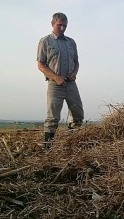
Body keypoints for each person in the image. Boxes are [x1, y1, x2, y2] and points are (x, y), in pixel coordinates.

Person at [37, 12, 84, 144]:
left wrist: (75, 72)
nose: (62, 28)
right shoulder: (45, 41)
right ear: (52, 24)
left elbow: (77, 62)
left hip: (71, 84)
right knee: (52, 117)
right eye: (59, 25)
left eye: (65, 26)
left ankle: (73, 144)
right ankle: (48, 150)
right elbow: (41, 65)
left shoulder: (71, 42)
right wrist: (56, 77)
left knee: (78, 114)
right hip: (55, 84)